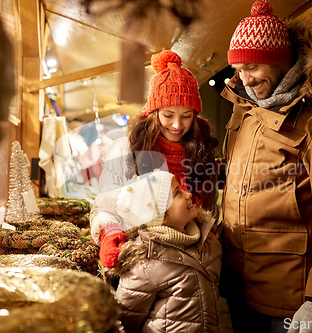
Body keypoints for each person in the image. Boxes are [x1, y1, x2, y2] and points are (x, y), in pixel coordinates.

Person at [219, 1, 312, 332]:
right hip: (239, 284)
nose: (245, 80)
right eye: (238, 70)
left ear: (281, 61)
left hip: (288, 296)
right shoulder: (247, 107)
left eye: (252, 67)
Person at [90, 50, 219, 268]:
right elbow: (103, 208)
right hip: (141, 264)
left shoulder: (202, 154)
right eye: (168, 115)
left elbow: (209, 211)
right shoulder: (127, 150)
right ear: (154, 112)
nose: (177, 125)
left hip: (192, 265)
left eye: (186, 116)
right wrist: (111, 234)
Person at [106, 170, 222, 332]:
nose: (188, 194)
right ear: (161, 216)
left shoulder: (207, 240)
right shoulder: (144, 264)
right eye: (177, 194)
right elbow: (126, 321)